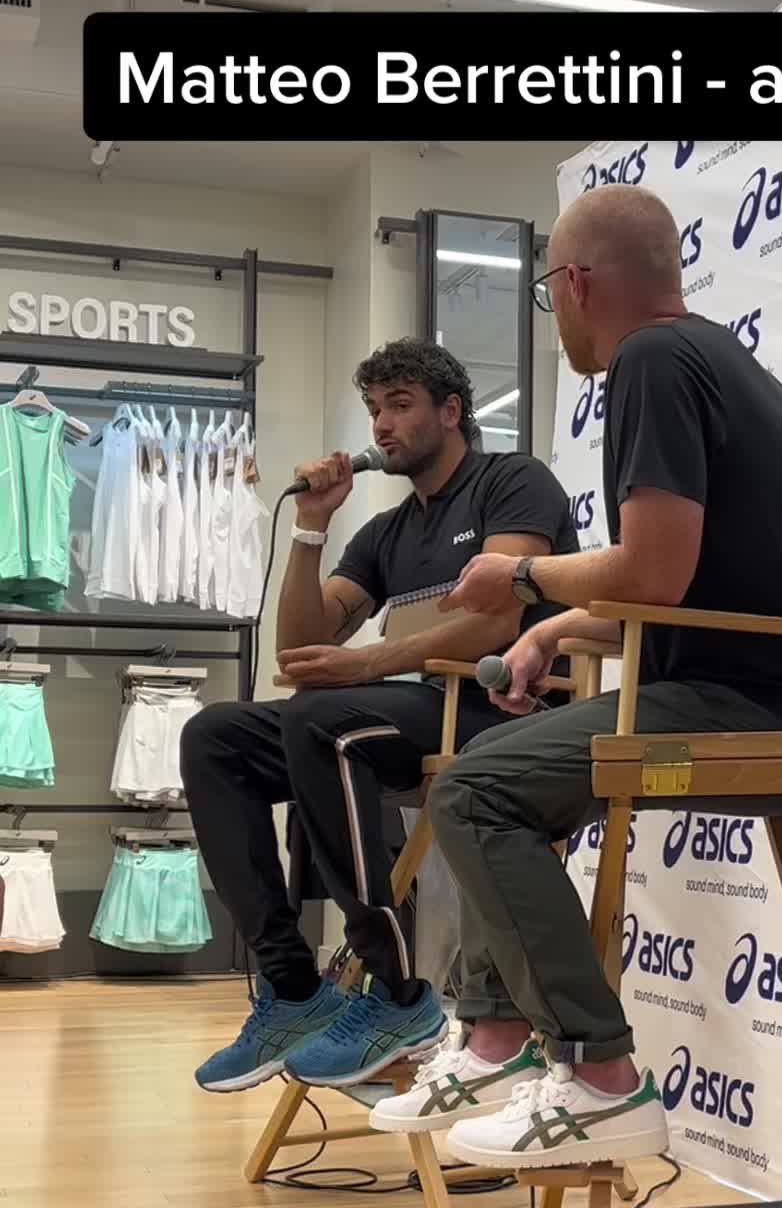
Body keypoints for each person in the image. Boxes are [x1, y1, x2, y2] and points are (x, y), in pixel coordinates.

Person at [370, 186, 782, 1168]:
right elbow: (697, 581)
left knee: (473, 791)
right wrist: (558, 630)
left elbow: (653, 573)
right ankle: (496, 1038)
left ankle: (600, 1077)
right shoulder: (713, 358)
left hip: (761, 709)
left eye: (548, 292)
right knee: (496, 770)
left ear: (576, 284)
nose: (555, 313)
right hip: (767, 687)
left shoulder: (651, 360)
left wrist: (524, 579)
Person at [182, 337, 578, 1095]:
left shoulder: (511, 481)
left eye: (399, 405)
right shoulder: (387, 532)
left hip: (507, 711)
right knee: (215, 737)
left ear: (451, 412)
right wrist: (310, 527)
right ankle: (293, 988)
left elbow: (499, 618)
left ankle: (396, 994)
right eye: (374, 409)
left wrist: (369, 663)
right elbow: (301, 647)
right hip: (413, 711)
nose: (381, 426)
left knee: (321, 720)